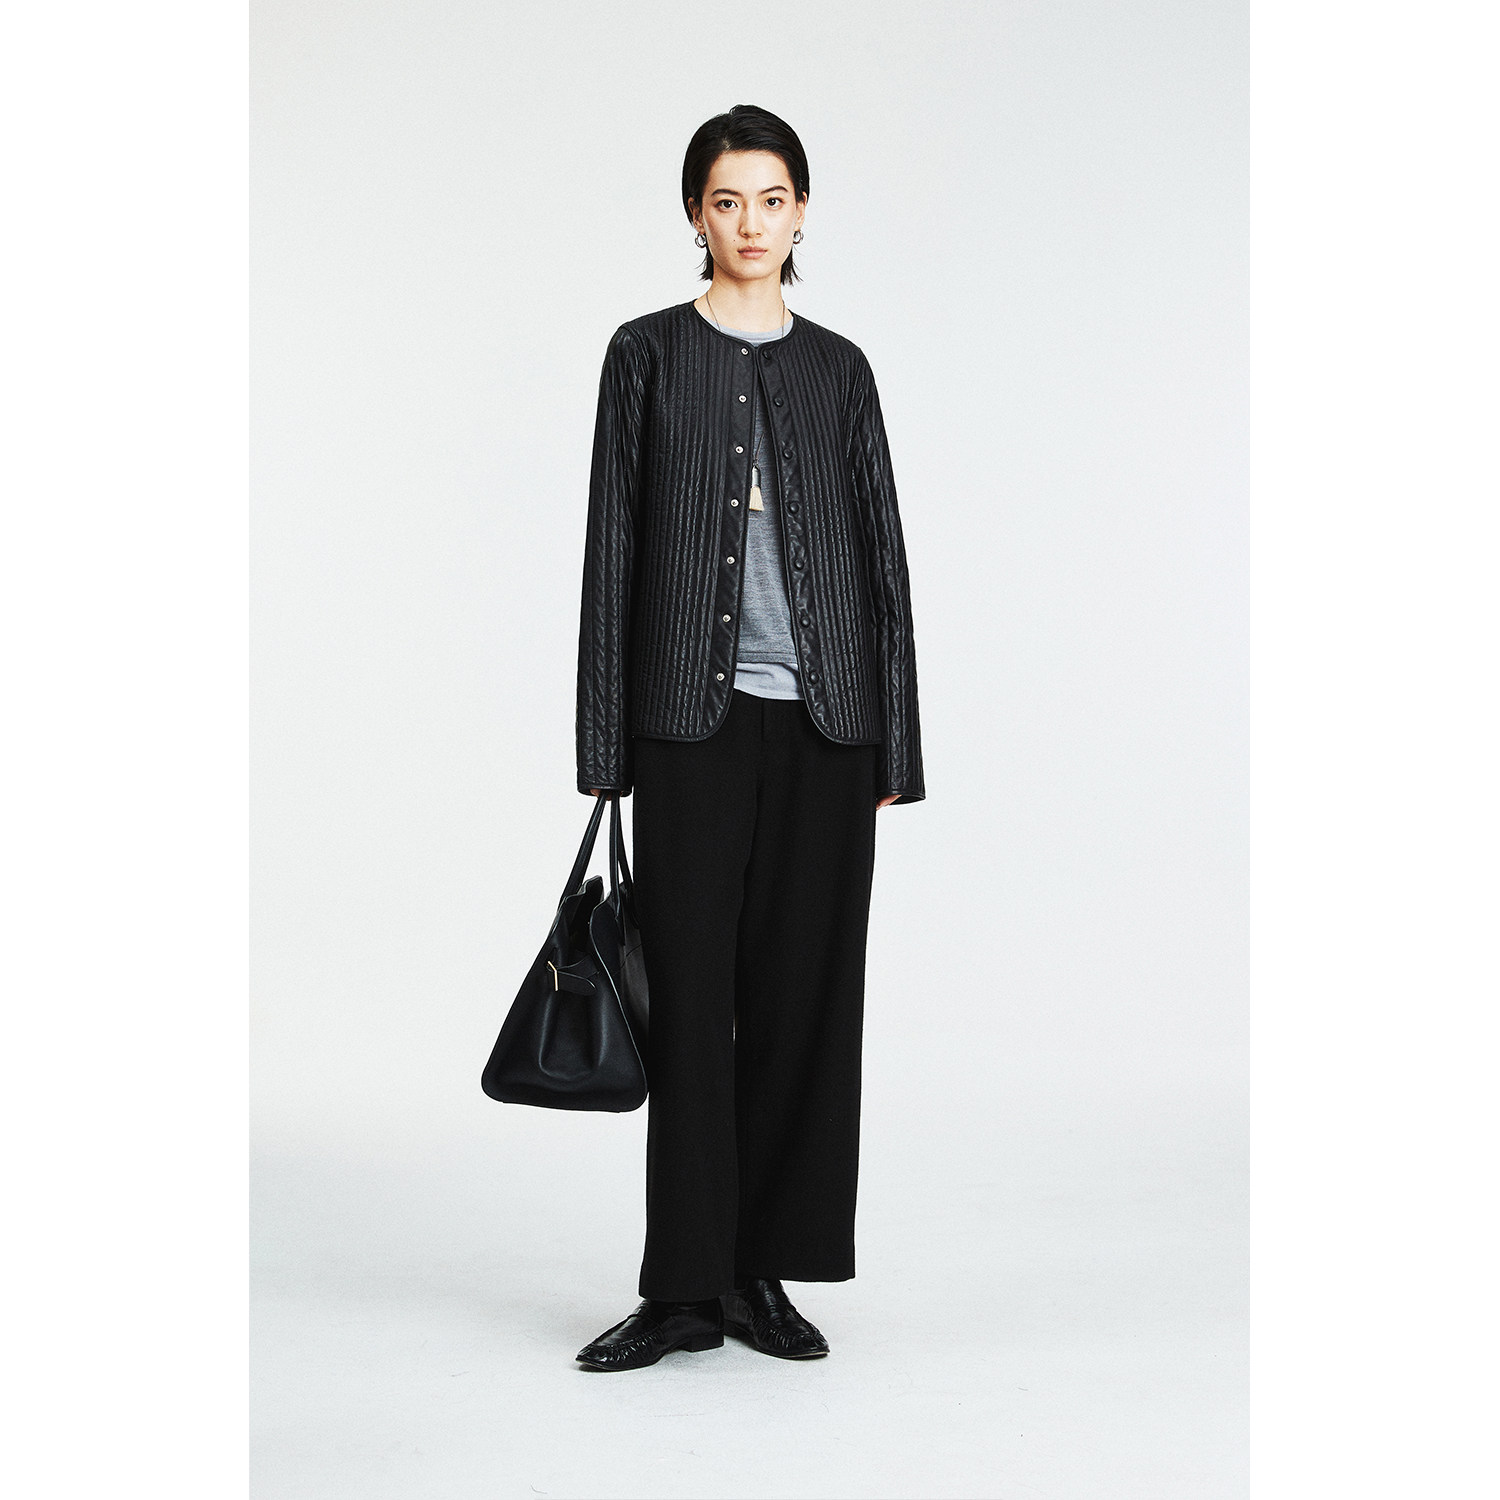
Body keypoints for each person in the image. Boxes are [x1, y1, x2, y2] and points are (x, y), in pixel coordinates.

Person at [572, 104, 924, 1372]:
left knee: (802, 1004)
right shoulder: (646, 355)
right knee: (691, 1007)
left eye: (773, 199)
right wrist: (606, 748)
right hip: (689, 727)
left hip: (828, 731)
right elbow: (614, 548)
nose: (752, 223)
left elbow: (883, 556)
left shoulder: (840, 370)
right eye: (728, 201)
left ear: (802, 210)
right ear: (696, 215)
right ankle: (683, 1289)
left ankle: (762, 1274)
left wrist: (897, 748)